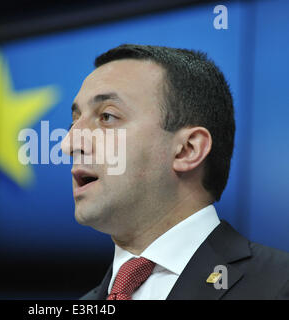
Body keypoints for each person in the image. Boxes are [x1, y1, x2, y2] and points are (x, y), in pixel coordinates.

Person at [61, 44, 289, 300]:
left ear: (187, 150)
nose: (69, 143)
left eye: (107, 117)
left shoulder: (278, 285)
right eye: (74, 122)